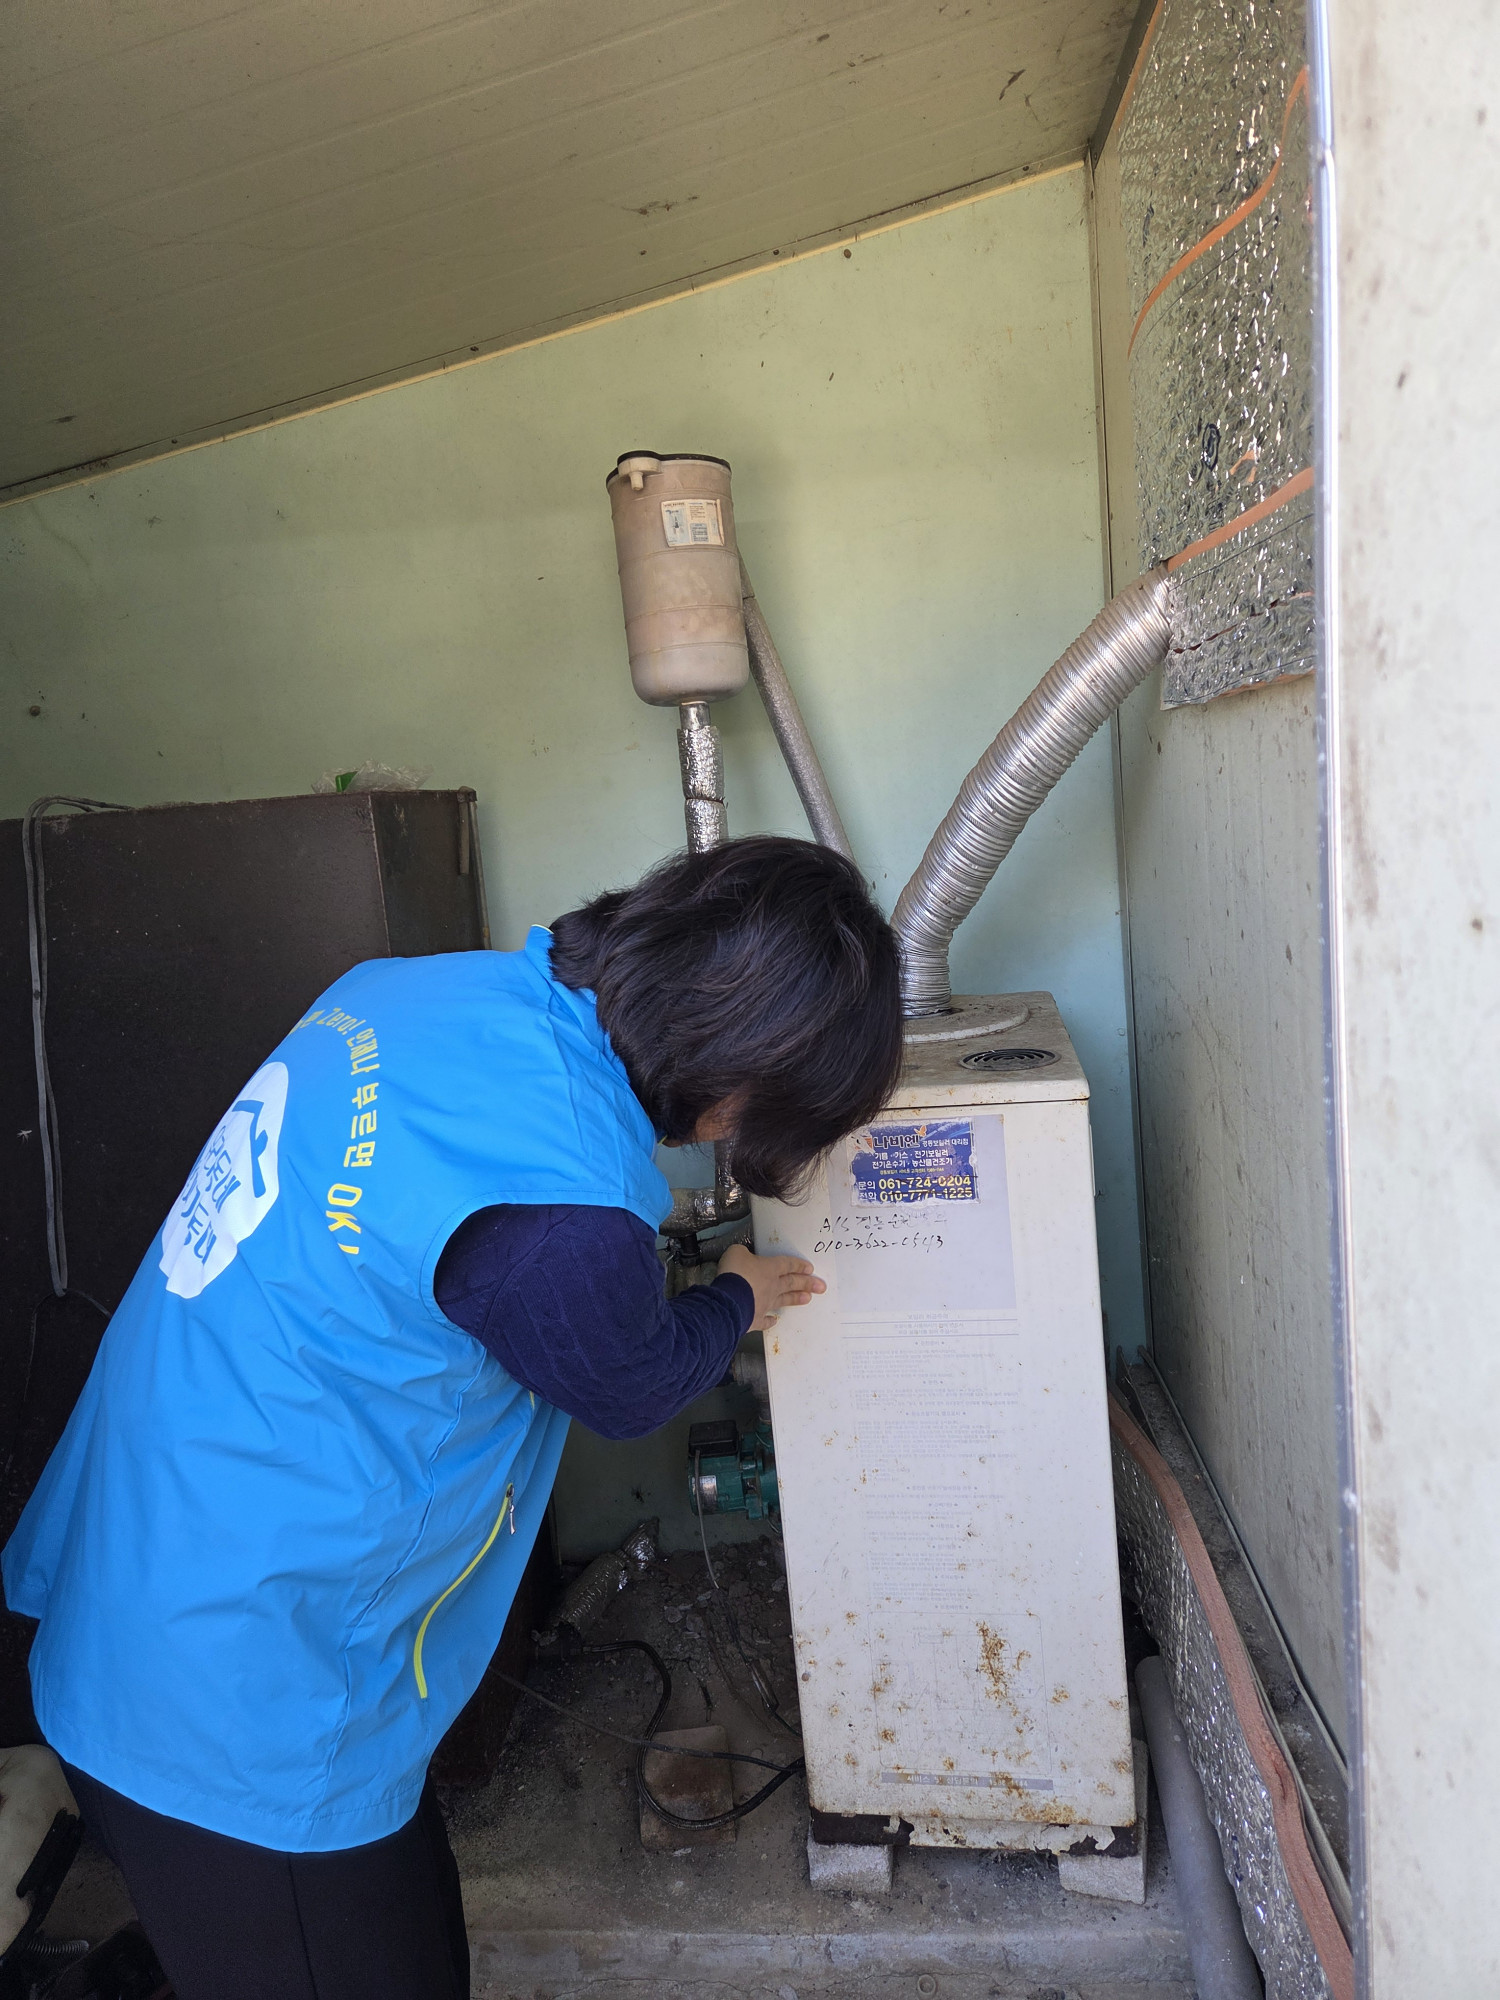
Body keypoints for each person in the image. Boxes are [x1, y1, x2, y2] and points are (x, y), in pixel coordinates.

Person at [2, 834, 902, 2000]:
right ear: (746, 1077)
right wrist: (737, 1294)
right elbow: (627, 1383)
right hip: (239, 1687)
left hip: (136, 1567)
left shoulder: (412, 989)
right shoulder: (568, 1217)